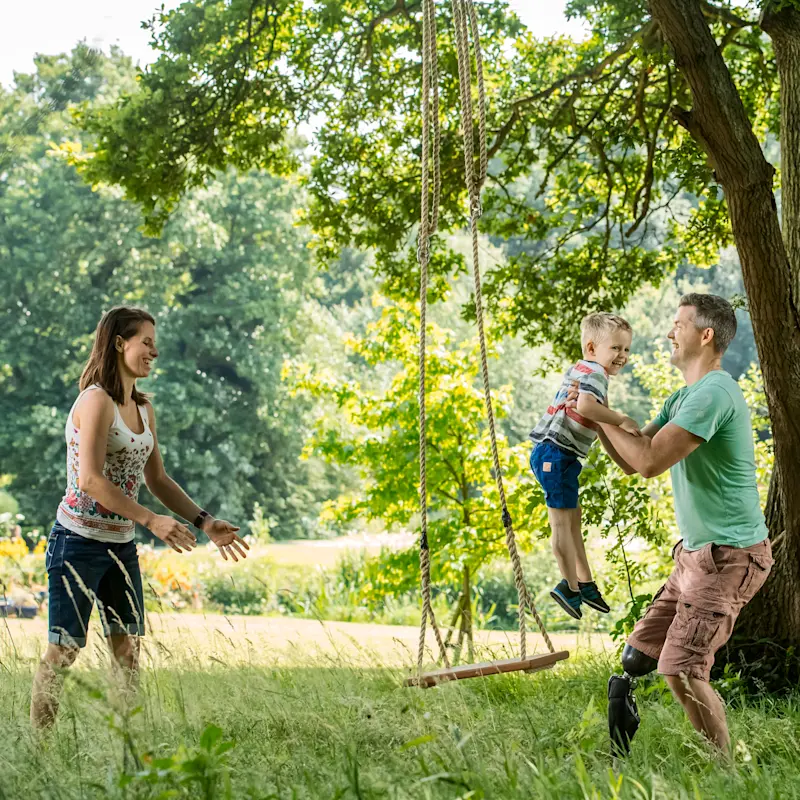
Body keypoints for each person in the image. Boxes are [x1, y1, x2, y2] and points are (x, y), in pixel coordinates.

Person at [31, 306, 250, 730]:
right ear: (119, 343)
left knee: (128, 652)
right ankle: (40, 749)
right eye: (146, 341)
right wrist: (152, 522)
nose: (155, 350)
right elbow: (91, 480)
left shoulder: (143, 409)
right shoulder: (95, 401)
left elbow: (158, 478)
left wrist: (205, 522)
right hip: (76, 542)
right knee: (64, 651)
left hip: (120, 545)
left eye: (154, 342)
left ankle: (126, 747)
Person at [595, 294, 773, 756]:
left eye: (678, 324)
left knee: (682, 668)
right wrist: (596, 420)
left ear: (705, 334)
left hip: (729, 556)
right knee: (637, 656)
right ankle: (620, 744)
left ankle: (724, 771)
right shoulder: (684, 396)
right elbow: (634, 458)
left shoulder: (713, 394)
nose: (670, 333)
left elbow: (651, 462)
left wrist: (599, 415)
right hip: (695, 555)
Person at [529, 312, 639, 620]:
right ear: (592, 349)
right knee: (562, 525)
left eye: (626, 349)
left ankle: (585, 583)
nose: (623, 356)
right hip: (556, 454)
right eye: (615, 348)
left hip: (558, 456)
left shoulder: (584, 370)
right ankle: (569, 587)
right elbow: (586, 407)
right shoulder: (594, 373)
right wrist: (622, 419)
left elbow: (589, 413)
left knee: (572, 520)